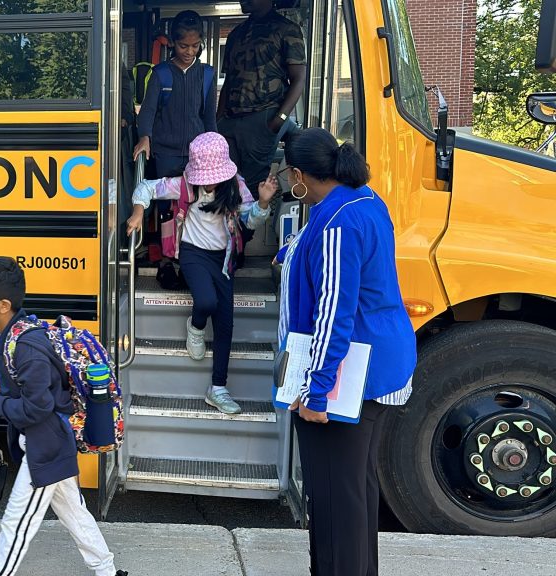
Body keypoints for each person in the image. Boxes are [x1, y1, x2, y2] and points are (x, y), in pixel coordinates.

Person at [276, 128, 416, 576]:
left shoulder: (336, 223)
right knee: (354, 492)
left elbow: (334, 312)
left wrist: (317, 394)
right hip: (377, 362)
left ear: (299, 175)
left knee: (335, 499)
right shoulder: (362, 200)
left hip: (346, 378)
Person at [0, 257, 128, 576]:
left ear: (3, 305)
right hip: (46, 439)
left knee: (16, 524)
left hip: (46, 444)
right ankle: (107, 571)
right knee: (73, 512)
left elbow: (36, 408)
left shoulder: (26, 346)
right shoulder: (10, 334)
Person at [126, 133, 275, 414]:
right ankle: (195, 327)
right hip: (193, 253)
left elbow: (249, 219)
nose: (209, 181)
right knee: (206, 302)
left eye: (213, 175)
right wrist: (137, 213)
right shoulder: (185, 185)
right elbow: (145, 188)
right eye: (205, 175)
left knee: (226, 324)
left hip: (224, 258)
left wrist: (263, 203)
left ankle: (218, 388)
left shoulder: (236, 186)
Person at [217, 0, 307, 195]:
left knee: (251, 188)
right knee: (224, 183)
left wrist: (278, 120)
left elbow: (299, 79)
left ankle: (246, 227)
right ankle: (228, 226)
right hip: (230, 120)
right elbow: (228, 81)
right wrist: (219, 121)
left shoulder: (287, 29)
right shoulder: (236, 34)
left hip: (262, 117)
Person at [133, 10, 218, 177]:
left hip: (198, 153)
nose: (190, 52)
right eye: (183, 46)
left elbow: (209, 117)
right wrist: (144, 137)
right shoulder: (160, 73)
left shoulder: (207, 74)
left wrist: (214, 146)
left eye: (195, 46)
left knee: (194, 201)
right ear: (173, 42)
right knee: (166, 200)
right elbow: (148, 111)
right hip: (165, 154)